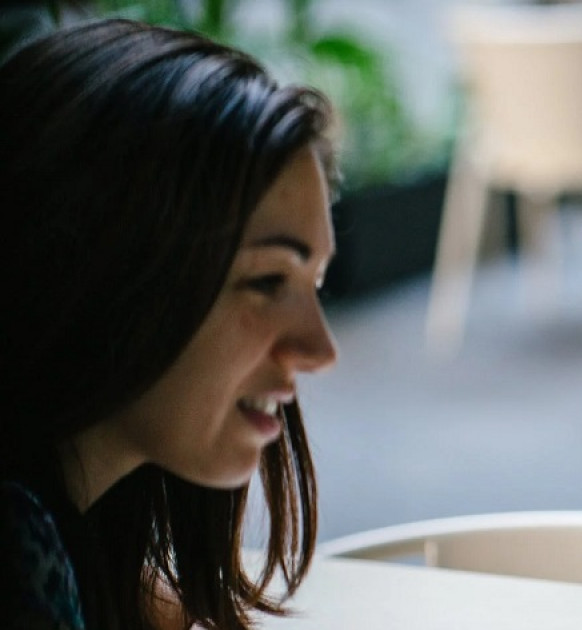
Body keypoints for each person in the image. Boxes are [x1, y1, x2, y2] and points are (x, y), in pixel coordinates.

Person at [0, 18, 339, 629]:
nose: (319, 350)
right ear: (110, 265)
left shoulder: (85, 537)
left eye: (313, 284)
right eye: (267, 282)